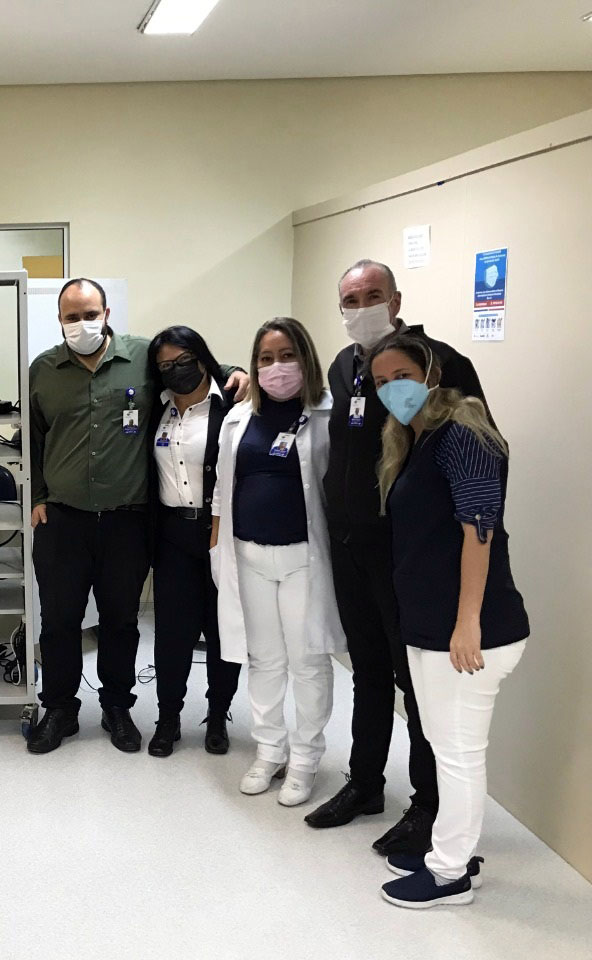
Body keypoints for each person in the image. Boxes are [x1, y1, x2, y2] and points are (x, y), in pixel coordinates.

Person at [306, 260, 489, 858]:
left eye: (373, 295)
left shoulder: (440, 363)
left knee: (416, 684)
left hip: (402, 550)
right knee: (366, 669)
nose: (362, 307)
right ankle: (364, 783)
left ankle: (428, 805)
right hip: (349, 543)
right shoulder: (343, 365)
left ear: (396, 300)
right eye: (350, 299)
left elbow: (474, 451)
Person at [26, 278, 248, 755]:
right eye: (71, 317)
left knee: (121, 621)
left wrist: (237, 372)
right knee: (59, 622)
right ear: (59, 320)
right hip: (62, 520)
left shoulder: (142, 358)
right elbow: (33, 439)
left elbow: (192, 366)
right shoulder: (42, 370)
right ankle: (60, 708)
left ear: (106, 314)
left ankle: (116, 706)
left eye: (90, 314)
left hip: (126, 522)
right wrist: (37, 497)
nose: (82, 324)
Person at [368, 333, 528, 908]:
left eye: (402, 376)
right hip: (431, 626)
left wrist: (467, 623)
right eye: (381, 382)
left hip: (470, 632)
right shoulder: (415, 440)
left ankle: (449, 875)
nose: (393, 389)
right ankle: (452, 850)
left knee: (459, 753)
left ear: (433, 373)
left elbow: (478, 531)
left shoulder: (464, 433)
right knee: (443, 744)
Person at [210, 317, 344, 807]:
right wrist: (217, 544)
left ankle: (305, 759)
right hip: (248, 556)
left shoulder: (327, 415)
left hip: (304, 559)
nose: (276, 367)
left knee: (307, 661)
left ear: (306, 358)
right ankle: (269, 750)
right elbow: (223, 487)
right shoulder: (238, 418)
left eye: (287, 356)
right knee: (263, 659)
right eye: (265, 358)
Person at [145, 325, 241, 757]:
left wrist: (237, 372)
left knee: (222, 632)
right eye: (165, 365)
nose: (175, 370)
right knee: (172, 634)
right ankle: (168, 718)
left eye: (183, 361)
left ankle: (218, 717)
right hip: (172, 535)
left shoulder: (231, 405)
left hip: (220, 533)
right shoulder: (156, 407)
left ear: (201, 358)